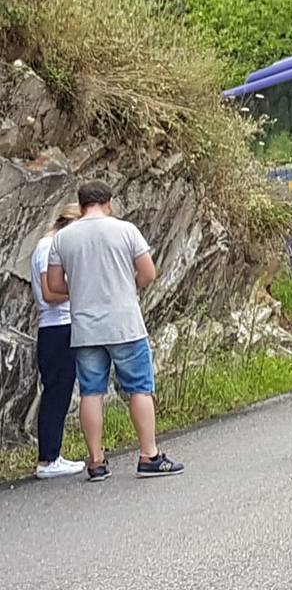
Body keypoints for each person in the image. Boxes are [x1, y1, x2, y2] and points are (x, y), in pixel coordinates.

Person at [46, 180, 184, 481]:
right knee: (139, 388)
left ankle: (96, 462)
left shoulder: (63, 239)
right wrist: (123, 282)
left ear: (81, 205)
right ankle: (149, 455)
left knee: (91, 392)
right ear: (108, 203)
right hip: (125, 325)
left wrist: (83, 286)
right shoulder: (125, 230)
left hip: (85, 328)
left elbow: (53, 286)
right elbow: (148, 273)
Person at [30, 203, 85, 479]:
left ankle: (53, 455)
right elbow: (50, 293)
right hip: (56, 327)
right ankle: (48, 459)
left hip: (62, 327)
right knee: (56, 392)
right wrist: (81, 289)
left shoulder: (52, 247)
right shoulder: (47, 248)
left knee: (60, 392)